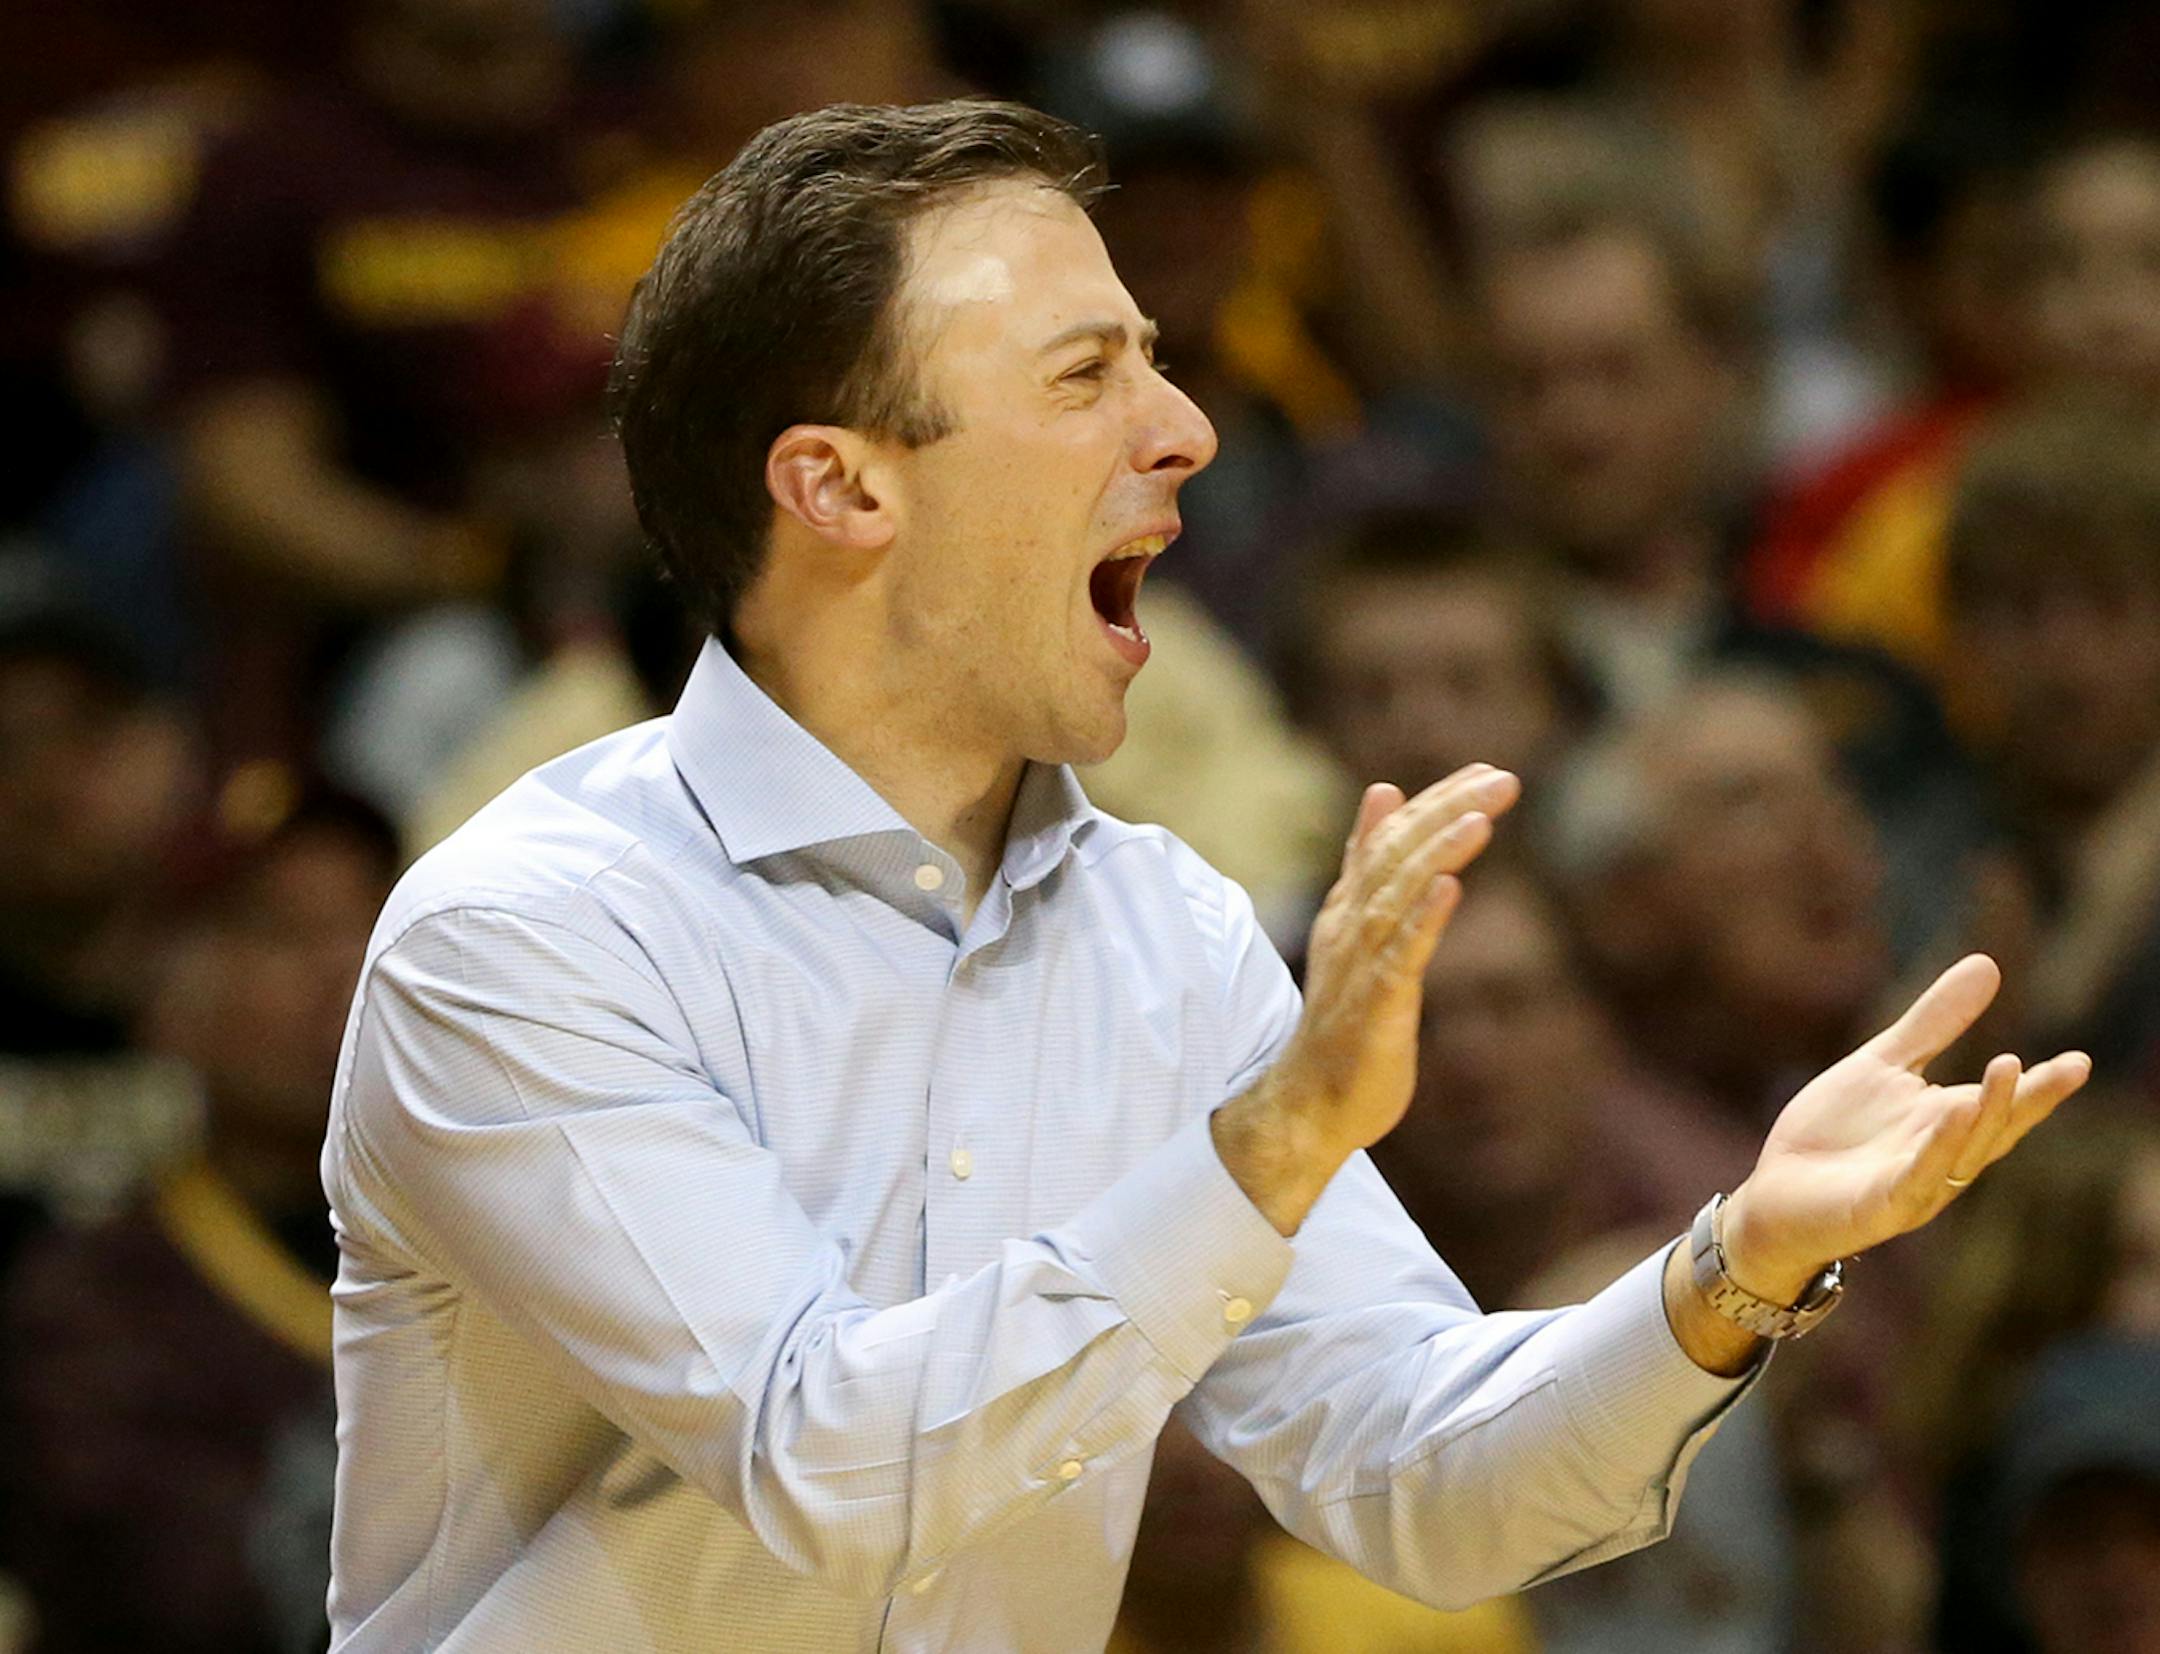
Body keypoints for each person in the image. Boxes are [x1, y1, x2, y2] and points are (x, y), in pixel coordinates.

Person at [323, 100, 2091, 1652]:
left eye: (1154, 357)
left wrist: (1736, 1264)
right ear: (838, 487)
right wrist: (1261, 1149)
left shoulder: (1159, 930)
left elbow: (1423, 1478)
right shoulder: (530, 933)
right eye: (1087, 374)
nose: (1186, 430)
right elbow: (827, 1463)